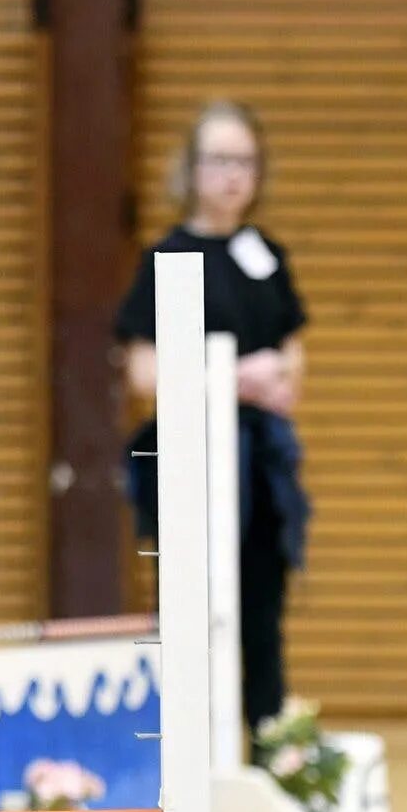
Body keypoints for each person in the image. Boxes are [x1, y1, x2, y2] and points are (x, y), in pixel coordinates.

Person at [114, 99, 311, 747]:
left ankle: (269, 749)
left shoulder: (267, 256)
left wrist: (270, 378)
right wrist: (229, 378)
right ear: (192, 168)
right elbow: (145, 374)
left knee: (262, 609)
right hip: (190, 460)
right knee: (191, 606)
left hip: (260, 460)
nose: (234, 175)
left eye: (246, 161)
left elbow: (291, 363)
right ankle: (187, 750)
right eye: (221, 159)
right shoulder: (165, 257)